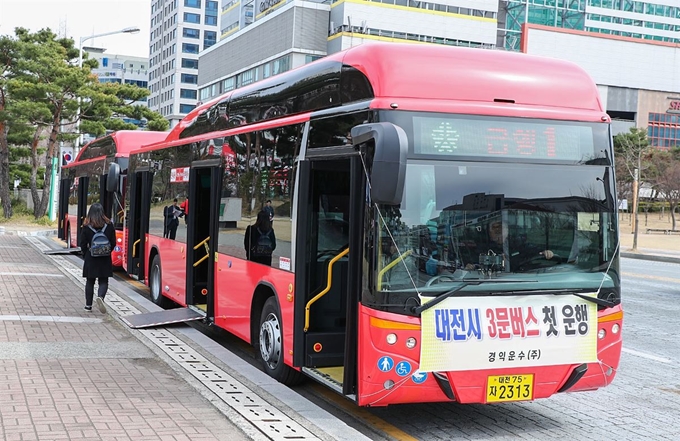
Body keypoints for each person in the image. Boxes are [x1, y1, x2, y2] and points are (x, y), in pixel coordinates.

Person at [79, 203, 116, 313]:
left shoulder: (86, 226)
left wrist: (87, 255)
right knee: (103, 281)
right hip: (105, 258)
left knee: (90, 281)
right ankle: (101, 297)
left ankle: (88, 306)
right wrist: (107, 252)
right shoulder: (109, 225)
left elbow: (82, 243)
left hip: (91, 257)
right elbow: (113, 242)